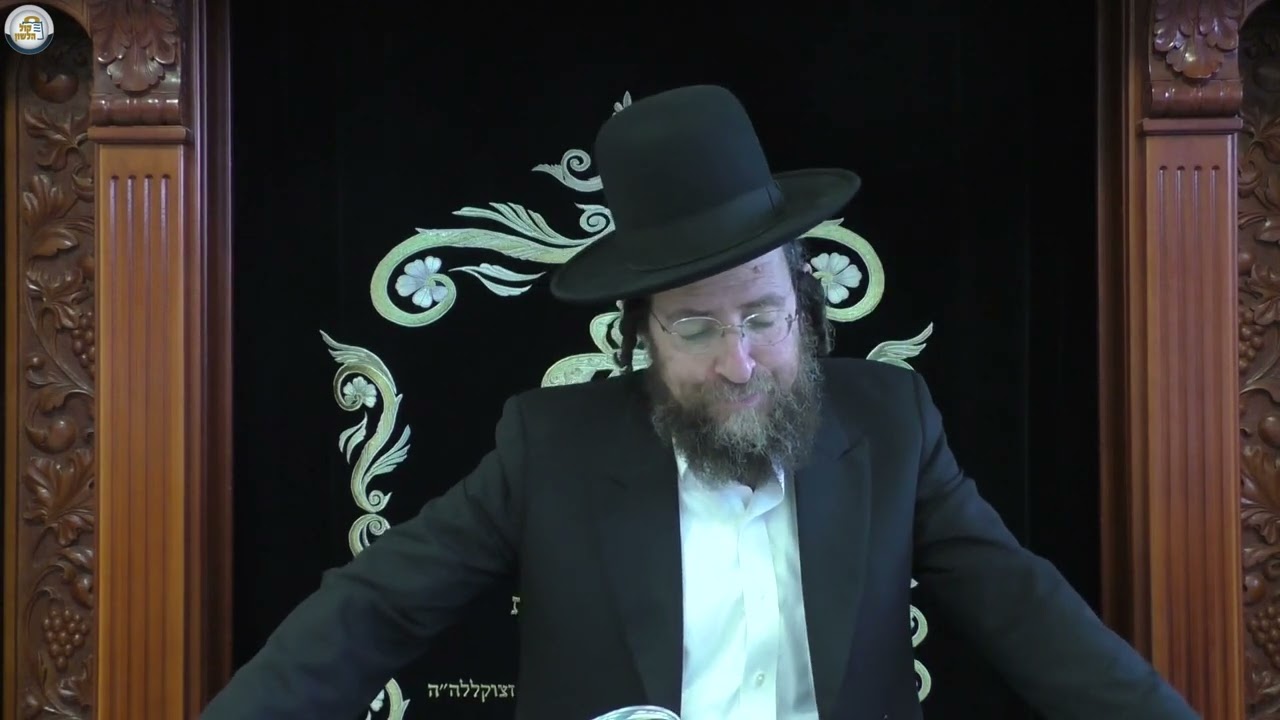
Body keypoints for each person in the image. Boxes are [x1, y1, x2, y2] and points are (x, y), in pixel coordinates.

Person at [202, 85, 1198, 720]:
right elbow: (374, 610)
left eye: (763, 317)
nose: (740, 362)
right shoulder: (549, 445)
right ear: (640, 337)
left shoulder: (892, 425)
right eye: (695, 329)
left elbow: (1029, 614)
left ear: (805, 308)